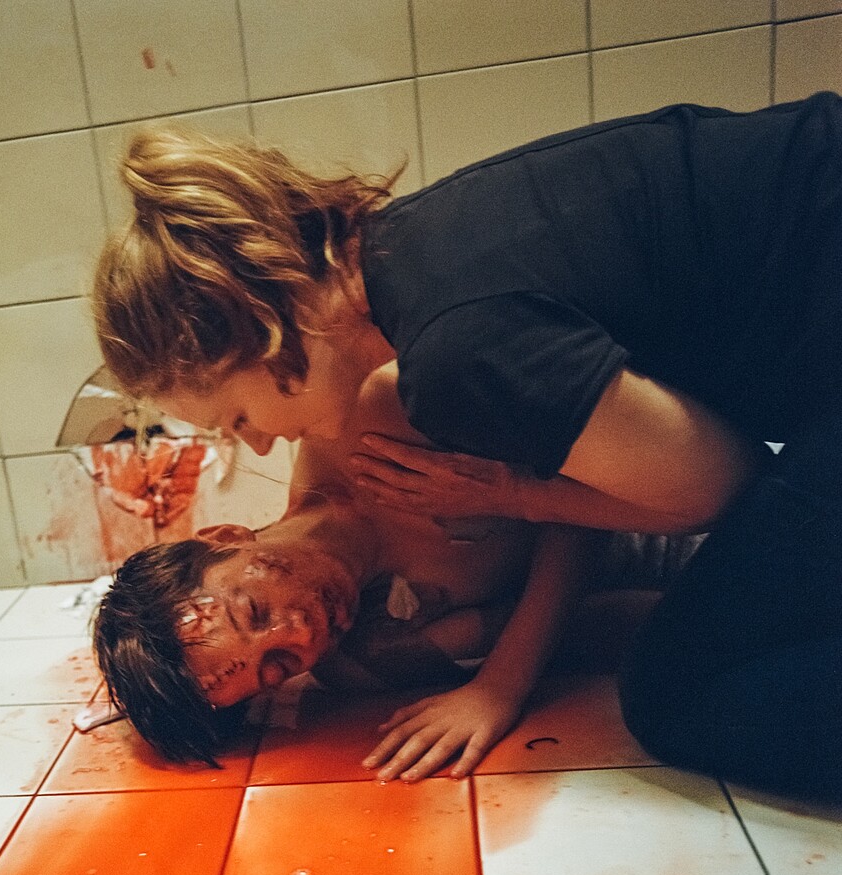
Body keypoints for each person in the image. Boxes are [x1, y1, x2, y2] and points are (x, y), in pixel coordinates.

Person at [92, 95, 842, 798]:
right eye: (279, 664)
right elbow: (612, 608)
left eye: (236, 418)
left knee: (678, 696)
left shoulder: (424, 377)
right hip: (807, 296)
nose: (255, 446)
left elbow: (730, 483)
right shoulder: (408, 262)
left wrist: (512, 512)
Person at [93, 365, 694, 779]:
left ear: (224, 538)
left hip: (686, 472)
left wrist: (500, 687)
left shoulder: (367, 424)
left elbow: (581, 464)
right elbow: (600, 627)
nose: (302, 635)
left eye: (254, 611)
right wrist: (480, 647)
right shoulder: (366, 659)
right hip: (690, 580)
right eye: (277, 668)